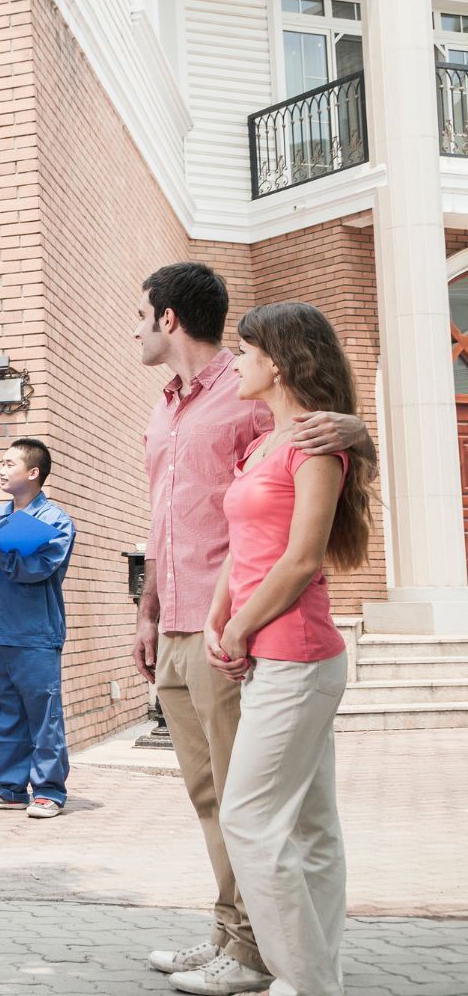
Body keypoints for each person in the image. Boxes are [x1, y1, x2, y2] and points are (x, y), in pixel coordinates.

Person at [130, 262, 372, 996]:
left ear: (169, 318)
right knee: (214, 798)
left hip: (251, 630)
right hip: (181, 620)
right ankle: (230, 935)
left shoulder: (247, 397)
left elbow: (318, 453)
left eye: (140, 314)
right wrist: (147, 610)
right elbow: (169, 517)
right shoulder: (165, 410)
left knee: (251, 809)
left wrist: (361, 433)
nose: (134, 328)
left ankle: (258, 953)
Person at [206, 302, 372, 996]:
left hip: (297, 655)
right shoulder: (261, 445)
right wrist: (222, 613)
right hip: (268, 653)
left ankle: (304, 983)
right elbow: (243, 549)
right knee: (308, 827)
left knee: (248, 817)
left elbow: (302, 559)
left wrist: (242, 628)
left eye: (242, 353)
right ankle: (317, 976)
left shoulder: (316, 445)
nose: (234, 364)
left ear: (275, 361)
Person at [0, 439, 76, 820]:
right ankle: (9, 788)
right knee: (3, 713)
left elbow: (41, 570)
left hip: (35, 633)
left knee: (43, 715)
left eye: (9, 463)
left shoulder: (56, 521)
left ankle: (49, 790)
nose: (1, 469)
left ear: (33, 472)